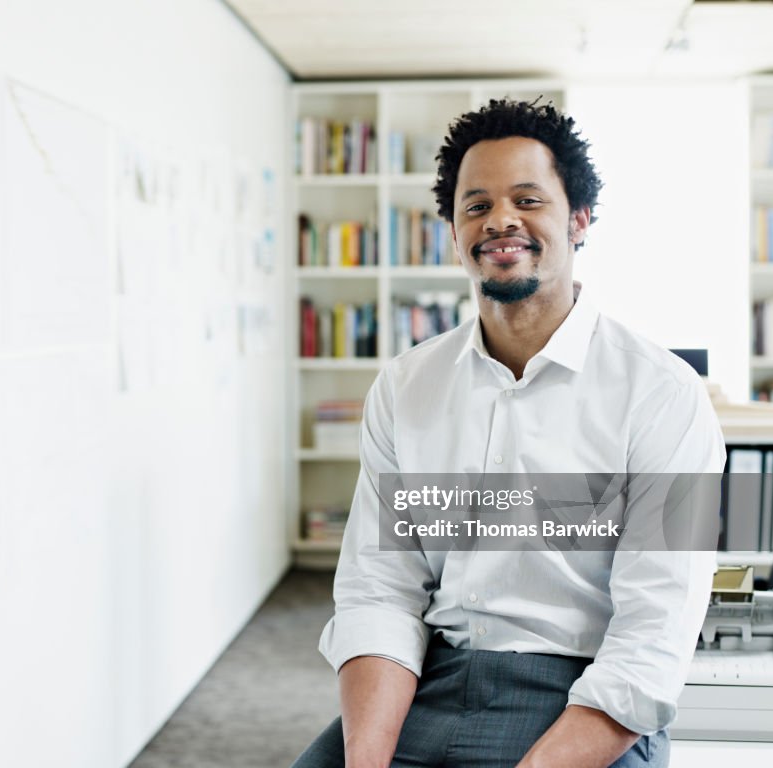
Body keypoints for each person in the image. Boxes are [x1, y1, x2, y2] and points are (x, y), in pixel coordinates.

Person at [291, 99, 725, 768]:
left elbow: (653, 637)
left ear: (578, 220)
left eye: (528, 199)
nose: (499, 220)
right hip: (428, 681)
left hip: (584, 700)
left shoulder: (664, 395)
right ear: (453, 228)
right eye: (476, 205)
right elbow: (381, 591)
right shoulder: (407, 387)